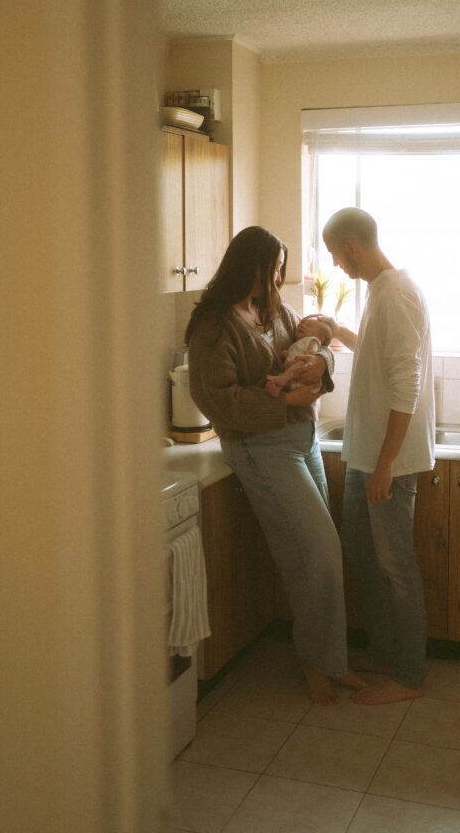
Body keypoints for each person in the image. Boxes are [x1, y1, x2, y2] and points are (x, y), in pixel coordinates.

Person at [185, 226, 364, 705]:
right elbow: (215, 400)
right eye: (274, 269)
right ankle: (319, 664)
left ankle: (330, 660)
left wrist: (322, 366)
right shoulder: (213, 326)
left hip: (300, 438)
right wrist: (286, 404)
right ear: (251, 267)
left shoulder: (272, 310)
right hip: (259, 449)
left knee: (314, 556)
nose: (280, 278)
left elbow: (315, 346)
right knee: (321, 551)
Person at [321, 207, 435, 705]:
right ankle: (386, 653)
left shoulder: (398, 295)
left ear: (350, 245)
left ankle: (408, 677)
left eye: (334, 255)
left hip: (390, 460)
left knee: (396, 567)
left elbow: (405, 387)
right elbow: (377, 354)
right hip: (365, 451)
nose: (336, 266)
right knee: (364, 558)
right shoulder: (380, 293)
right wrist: (337, 332)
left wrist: (386, 464)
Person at [265, 316, 333, 397]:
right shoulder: (299, 342)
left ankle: (282, 378)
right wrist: (286, 354)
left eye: (309, 325)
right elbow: (295, 352)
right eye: (302, 323)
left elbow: (311, 355)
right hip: (295, 379)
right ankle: (277, 390)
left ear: (320, 339)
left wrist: (296, 361)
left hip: (305, 378)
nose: (301, 325)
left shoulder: (313, 340)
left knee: (304, 361)